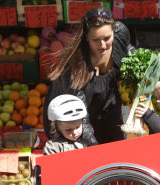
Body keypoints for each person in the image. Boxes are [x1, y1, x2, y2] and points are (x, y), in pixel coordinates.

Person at [43, 7, 131, 146]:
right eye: (95, 39)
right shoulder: (74, 67)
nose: (102, 45)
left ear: (114, 31)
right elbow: (80, 120)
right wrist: (95, 149)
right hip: (74, 123)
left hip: (110, 111)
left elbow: (128, 51)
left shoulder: (121, 34)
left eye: (107, 38)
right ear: (86, 37)